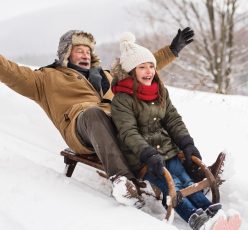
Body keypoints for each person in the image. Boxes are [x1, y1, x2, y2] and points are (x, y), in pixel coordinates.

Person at [0, 28, 194, 209]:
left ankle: (190, 167)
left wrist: (172, 50)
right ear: (66, 53)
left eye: (88, 51)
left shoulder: (106, 75)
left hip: (118, 122)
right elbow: (10, 72)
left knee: (147, 112)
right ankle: (122, 180)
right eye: (79, 50)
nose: (85, 54)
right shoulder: (46, 78)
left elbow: (141, 67)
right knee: (95, 113)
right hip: (82, 126)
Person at [110, 32, 241, 230]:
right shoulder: (122, 100)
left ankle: (212, 213)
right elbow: (128, 133)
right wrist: (147, 153)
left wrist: (187, 143)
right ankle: (197, 221)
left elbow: (173, 119)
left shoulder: (159, 91)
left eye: (151, 66)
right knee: (174, 188)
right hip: (144, 158)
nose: (149, 71)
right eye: (142, 67)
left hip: (168, 151)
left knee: (187, 181)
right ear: (131, 71)